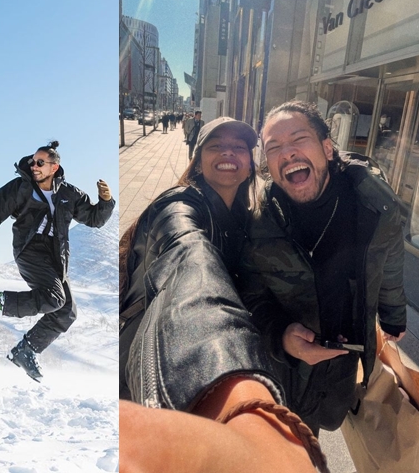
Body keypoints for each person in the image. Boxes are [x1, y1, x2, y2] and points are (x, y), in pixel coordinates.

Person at [117, 117, 325, 472]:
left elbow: (252, 288)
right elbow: (191, 264)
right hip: (160, 361)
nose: (228, 152)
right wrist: (241, 391)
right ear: (198, 159)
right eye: (216, 145)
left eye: (239, 147)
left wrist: (281, 333)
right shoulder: (178, 207)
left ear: (249, 165)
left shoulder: (247, 218)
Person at [238, 100, 407, 434]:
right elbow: (247, 293)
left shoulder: (373, 206)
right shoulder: (258, 219)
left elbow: (388, 262)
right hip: (280, 370)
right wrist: (281, 336)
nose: (286, 153)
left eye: (298, 139)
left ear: (327, 148)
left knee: (320, 425)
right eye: (273, 147)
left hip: (343, 358)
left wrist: (393, 313)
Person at [0, 141, 114, 382]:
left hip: (56, 257)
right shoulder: (19, 188)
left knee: (66, 312)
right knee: (53, 298)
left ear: (54, 167)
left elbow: (94, 219)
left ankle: (26, 350)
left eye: (40, 163)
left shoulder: (69, 194)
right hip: (30, 249)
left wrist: (106, 202)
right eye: (32, 162)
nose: (34, 166)